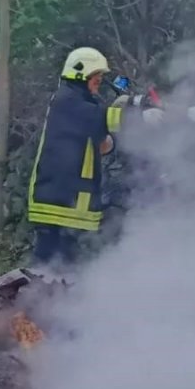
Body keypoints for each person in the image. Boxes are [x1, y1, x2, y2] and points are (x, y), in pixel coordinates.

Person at [26, 47, 124, 268]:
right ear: (80, 75)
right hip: (57, 204)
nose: (99, 83)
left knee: (63, 272)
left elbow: (102, 144)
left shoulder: (81, 104)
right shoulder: (67, 100)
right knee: (47, 269)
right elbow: (105, 118)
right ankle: (31, 301)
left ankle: (45, 300)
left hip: (69, 205)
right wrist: (139, 111)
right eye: (96, 79)